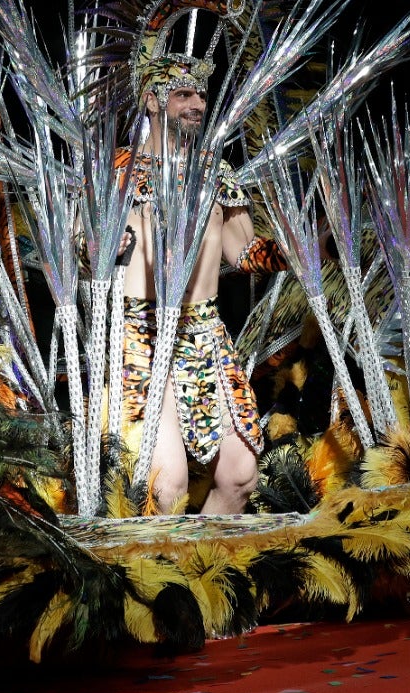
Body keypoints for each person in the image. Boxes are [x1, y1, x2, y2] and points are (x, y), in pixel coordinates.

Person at [116, 52, 286, 515]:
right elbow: (82, 247)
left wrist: (307, 247)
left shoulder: (217, 172)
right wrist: (100, 249)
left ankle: (204, 575)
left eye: (202, 95)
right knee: (166, 484)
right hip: (142, 336)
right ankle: (159, 583)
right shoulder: (121, 172)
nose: (197, 104)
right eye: (183, 94)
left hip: (204, 331)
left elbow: (248, 255)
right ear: (151, 100)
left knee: (241, 473)